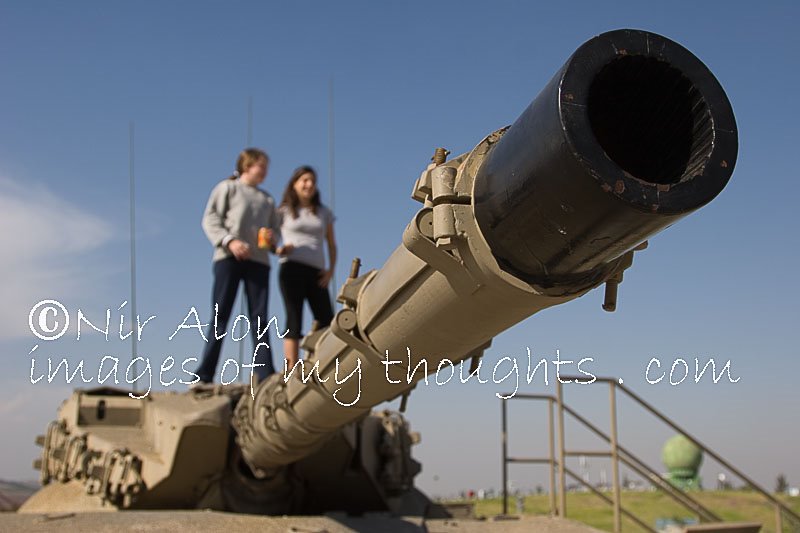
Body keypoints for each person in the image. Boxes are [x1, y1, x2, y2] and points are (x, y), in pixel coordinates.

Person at [196, 148, 281, 384]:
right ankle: (205, 374)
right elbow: (210, 218)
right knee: (221, 315)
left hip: (259, 262)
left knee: (260, 318)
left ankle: (265, 375)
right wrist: (229, 241)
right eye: (260, 166)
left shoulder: (267, 200)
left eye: (266, 167)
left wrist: (273, 241)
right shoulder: (227, 188)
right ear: (247, 165)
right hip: (228, 258)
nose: (264, 171)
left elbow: (276, 234)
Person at [277, 166, 337, 371]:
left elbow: (331, 243)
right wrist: (278, 249)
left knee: (326, 319)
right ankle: (291, 369)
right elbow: (268, 237)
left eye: (312, 180)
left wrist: (331, 270)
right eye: (304, 180)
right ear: (294, 184)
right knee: (293, 317)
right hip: (291, 268)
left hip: (317, 271)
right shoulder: (283, 211)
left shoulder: (323, 213)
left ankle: (317, 362)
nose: (309, 184)